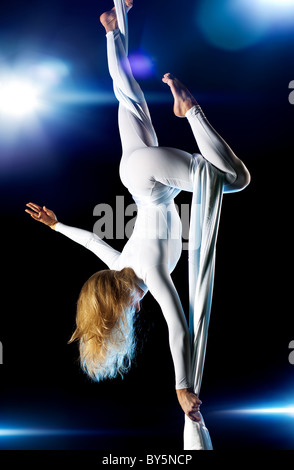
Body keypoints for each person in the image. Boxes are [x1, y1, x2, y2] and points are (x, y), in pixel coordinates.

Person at [25, 0, 250, 425]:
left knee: (234, 180)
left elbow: (179, 328)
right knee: (127, 93)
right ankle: (113, 24)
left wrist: (182, 386)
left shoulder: (147, 274)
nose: (131, 315)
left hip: (151, 184)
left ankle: (190, 112)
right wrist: (55, 226)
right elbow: (92, 240)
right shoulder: (120, 265)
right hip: (134, 173)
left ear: (121, 303)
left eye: (122, 315)